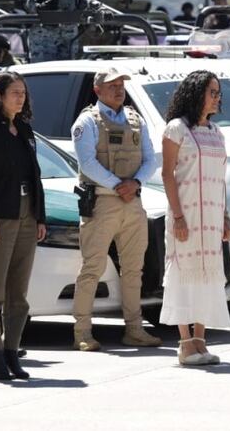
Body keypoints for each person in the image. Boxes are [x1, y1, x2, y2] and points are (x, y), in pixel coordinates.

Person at [70, 68, 162, 351]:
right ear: (97, 90)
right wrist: (117, 185)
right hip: (102, 202)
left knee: (134, 269)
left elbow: (151, 158)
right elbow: (87, 163)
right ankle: (82, 331)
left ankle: (134, 329)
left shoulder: (136, 119)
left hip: (132, 201)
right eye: (112, 85)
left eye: (121, 84)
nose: (119, 89)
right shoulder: (87, 121)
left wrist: (134, 183)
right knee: (92, 267)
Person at [0, 72, 47, 381]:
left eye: (23, 93)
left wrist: (39, 217)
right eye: (14, 92)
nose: (20, 97)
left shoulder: (26, 130)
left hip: (27, 213)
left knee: (20, 293)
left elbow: (35, 176)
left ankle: (12, 352)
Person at [160, 70, 230, 367]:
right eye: (212, 92)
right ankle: (185, 343)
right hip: (185, 213)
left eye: (218, 92)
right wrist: (178, 216)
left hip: (212, 218)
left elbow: (221, 179)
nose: (217, 97)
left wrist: (225, 217)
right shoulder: (176, 129)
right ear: (196, 93)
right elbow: (167, 174)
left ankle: (201, 339)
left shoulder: (216, 133)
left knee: (207, 275)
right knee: (184, 274)